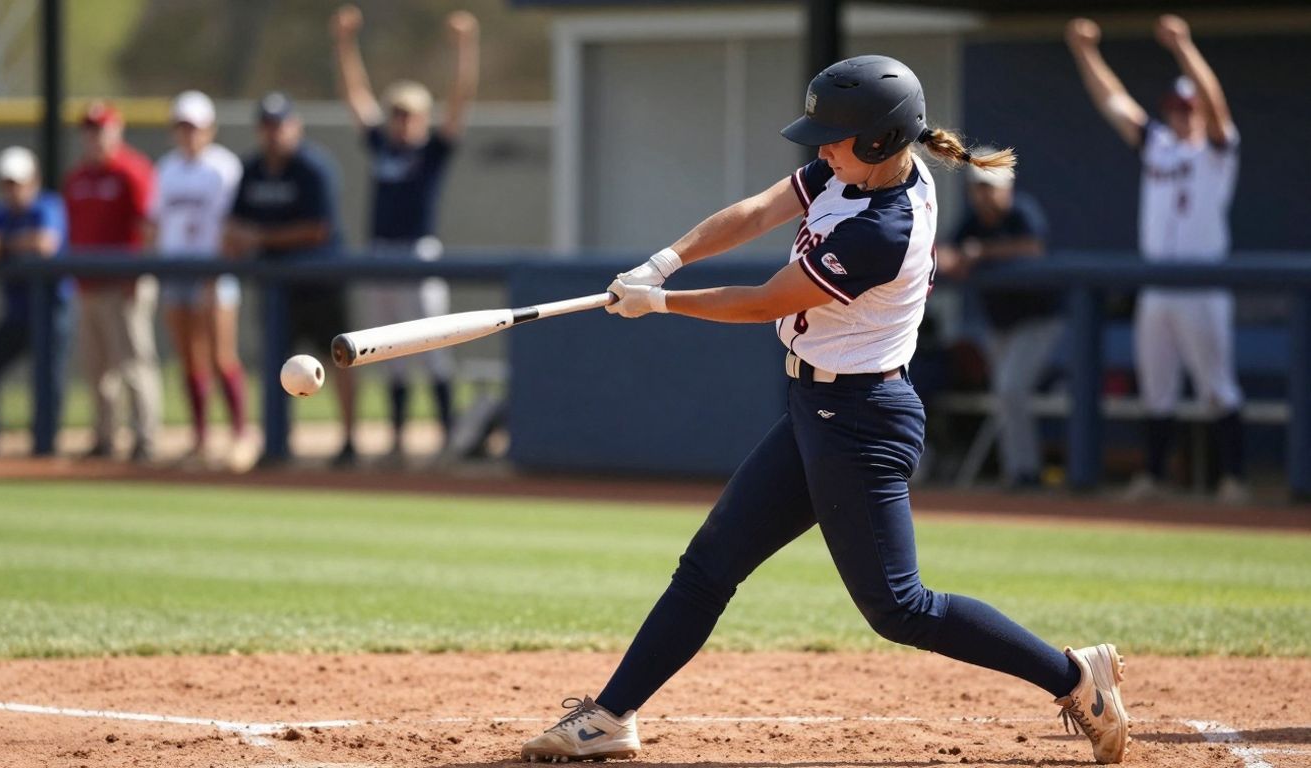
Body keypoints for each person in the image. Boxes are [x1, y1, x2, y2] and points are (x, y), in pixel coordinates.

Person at [519, 56, 1130, 766]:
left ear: (877, 141)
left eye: (834, 138)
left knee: (900, 607)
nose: (820, 150)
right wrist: (663, 262)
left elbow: (764, 300)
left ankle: (1076, 679)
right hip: (818, 405)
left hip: (862, 418)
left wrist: (658, 305)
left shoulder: (884, 225)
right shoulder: (854, 173)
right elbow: (757, 210)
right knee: (708, 566)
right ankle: (611, 716)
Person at [1066, 15, 1248, 504]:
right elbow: (1114, 101)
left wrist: (1184, 47)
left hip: (1202, 283)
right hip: (1157, 285)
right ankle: (1154, 475)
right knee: (1157, 388)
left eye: (1188, 108)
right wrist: (1085, 53)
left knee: (1216, 388)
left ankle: (1233, 480)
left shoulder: (1217, 150)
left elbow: (1216, 103)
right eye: (1176, 108)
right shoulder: (1160, 146)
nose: (1183, 115)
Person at [330, 4, 480, 459]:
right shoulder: (380, 144)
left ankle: (450, 438)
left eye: (409, 114)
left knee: (434, 345)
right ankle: (396, 440)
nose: (401, 120)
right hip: (381, 252)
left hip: (418, 253)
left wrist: (466, 47)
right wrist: (343, 42)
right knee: (388, 350)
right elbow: (355, 93)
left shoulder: (432, 150)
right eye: (396, 113)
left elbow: (460, 100)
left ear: (422, 117)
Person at [224, 92, 356, 466]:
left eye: (280, 125)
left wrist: (260, 237)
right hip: (277, 289)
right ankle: (277, 442)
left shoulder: (312, 168)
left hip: (321, 281)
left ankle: (349, 441)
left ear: (294, 126)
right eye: (267, 126)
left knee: (341, 360)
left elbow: (318, 229)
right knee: (276, 365)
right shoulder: (252, 170)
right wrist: (239, 237)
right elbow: (235, 223)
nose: (273, 133)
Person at [938, 159, 1058, 488]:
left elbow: (1033, 247)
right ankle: (1016, 473)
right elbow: (945, 252)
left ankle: (1026, 473)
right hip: (1000, 324)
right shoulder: (973, 220)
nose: (983, 195)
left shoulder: (1021, 212)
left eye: (989, 187)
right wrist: (957, 258)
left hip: (1038, 321)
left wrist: (981, 253)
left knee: (1010, 390)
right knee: (1004, 396)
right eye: (978, 187)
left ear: (1007, 188)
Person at [151, 90, 250, 470]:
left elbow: (232, 223)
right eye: (182, 127)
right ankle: (200, 438)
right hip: (177, 266)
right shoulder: (167, 169)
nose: (188, 134)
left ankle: (240, 435)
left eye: (194, 127)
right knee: (189, 357)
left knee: (221, 353)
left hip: (213, 268)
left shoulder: (223, 168)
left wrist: (220, 264)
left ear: (209, 129)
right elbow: (156, 222)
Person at [62, 101, 161, 462]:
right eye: (89, 130)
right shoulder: (77, 177)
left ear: (116, 130)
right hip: (89, 285)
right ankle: (104, 438)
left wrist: (139, 273)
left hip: (125, 284)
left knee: (135, 364)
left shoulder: (131, 170)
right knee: (97, 370)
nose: (94, 136)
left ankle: (145, 437)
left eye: (101, 128)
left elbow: (148, 228)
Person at [0, 147, 71, 460]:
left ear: (33, 181)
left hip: (51, 310)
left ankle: (45, 444)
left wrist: (5, 244)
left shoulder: (48, 205)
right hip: (16, 313)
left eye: (18, 183)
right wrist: (2, 244)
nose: (12, 190)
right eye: (7, 183)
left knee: (47, 380)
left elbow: (46, 243)